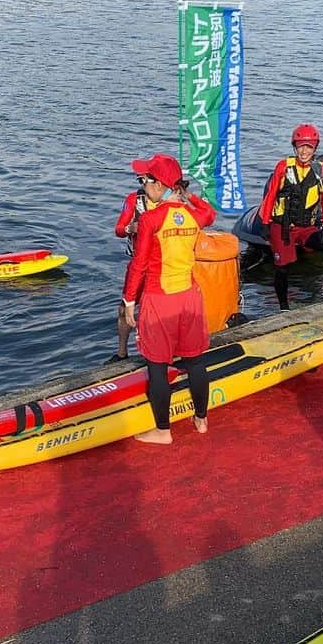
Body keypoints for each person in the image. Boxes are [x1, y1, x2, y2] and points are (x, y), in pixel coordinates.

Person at [122, 153, 216, 445]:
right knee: (196, 362)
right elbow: (209, 212)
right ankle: (201, 419)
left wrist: (128, 302)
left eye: (146, 179)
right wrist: (188, 196)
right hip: (189, 298)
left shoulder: (150, 219)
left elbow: (139, 265)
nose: (143, 184)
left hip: (159, 300)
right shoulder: (194, 215)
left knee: (158, 367)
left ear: (159, 184)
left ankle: (163, 431)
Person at [257, 123, 323, 310]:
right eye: (301, 146)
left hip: (306, 227)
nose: (304, 151)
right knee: (282, 267)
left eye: (309, 147)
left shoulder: (321, 170)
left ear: (315, 148)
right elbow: (271, 196)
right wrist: (265, 223)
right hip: (283, 226)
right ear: (295, 147)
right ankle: (284, 307)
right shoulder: (283, 167)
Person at [108, 173, 159, 363]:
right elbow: (119, 229)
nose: (142, 184)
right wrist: (131, 228)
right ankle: (122, 353)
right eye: (140, 181)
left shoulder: (171, 202)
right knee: (124, 308)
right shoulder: (134, 200)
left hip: (162, 264)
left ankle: (156, 352)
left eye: (144, 180)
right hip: (138, 262)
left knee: (154, 310)